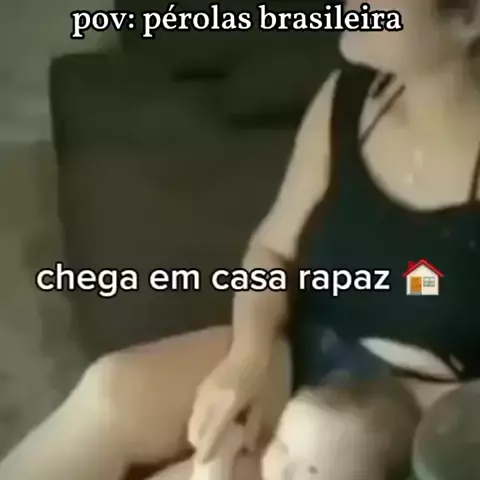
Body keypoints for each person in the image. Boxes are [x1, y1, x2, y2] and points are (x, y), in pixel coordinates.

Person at [1, 0, 480, 478]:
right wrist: (249, 358)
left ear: (468, 18)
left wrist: (375, 428)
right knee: (112, 393)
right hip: (303, 354)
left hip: (416, 425)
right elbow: (272, 249)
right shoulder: (346, 97)